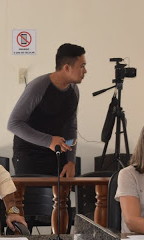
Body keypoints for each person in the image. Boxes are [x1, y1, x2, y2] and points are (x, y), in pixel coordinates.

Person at [7, 43, 87, 179]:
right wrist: (48, 141)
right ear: (67, 68)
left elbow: (71, 127)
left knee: (61, 194)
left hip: (57, 156)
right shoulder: (37, 87)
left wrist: (71, 161)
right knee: (33, 194)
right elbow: (13, 124)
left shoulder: (74, 90)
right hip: (29, 157)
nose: (85, 71)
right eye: (82, 66)